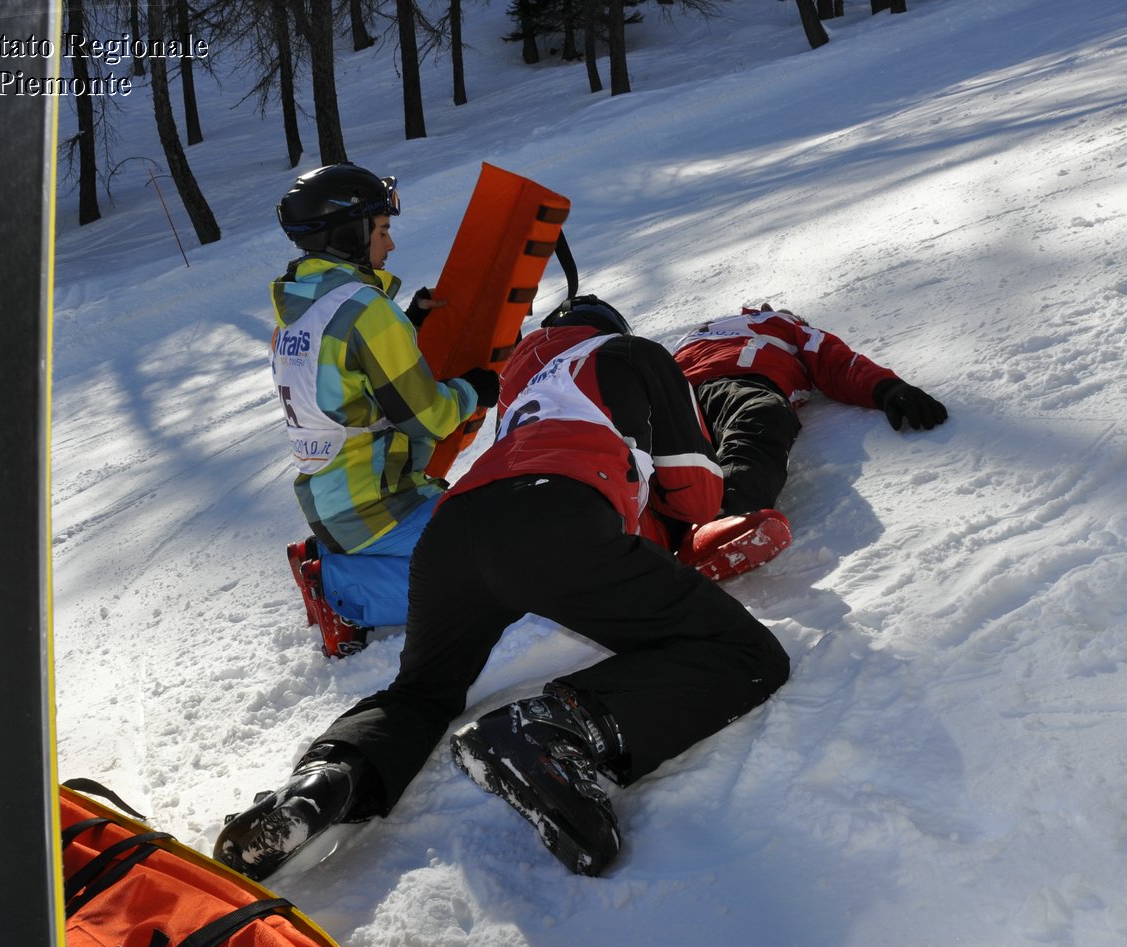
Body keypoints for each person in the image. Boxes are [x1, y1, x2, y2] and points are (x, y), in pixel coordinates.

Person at [217, 296, 791, 880]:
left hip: (450, 533)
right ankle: (556, 730)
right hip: (553, 514)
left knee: (422, 691)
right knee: (747, 654)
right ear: (610, 327)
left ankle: (320, 786)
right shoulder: (631, 353)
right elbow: (698, 497)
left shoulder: (521, 381)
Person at [270, 162, 498, 657]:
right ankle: (343, 592)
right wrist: (476, 389)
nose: (389, 245)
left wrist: (407, 323)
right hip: (382, 506)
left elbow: (347, 378)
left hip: (335, 503)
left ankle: (334, 561)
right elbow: (430, 416)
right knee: (500, 571)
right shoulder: (366, 310)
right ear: (349, 232)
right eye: (382, 229)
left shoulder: (297, 314)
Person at [653, 305, 948, 576]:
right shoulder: (781, 325)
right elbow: (835, 361)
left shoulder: (691, 339)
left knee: (657, 464)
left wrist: (887, 388)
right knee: (758, 416)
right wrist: (887, 388)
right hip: (735, 383)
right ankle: (725, 516)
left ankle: (648, 540)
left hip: (665, 401)